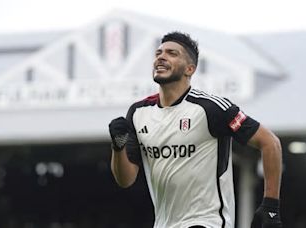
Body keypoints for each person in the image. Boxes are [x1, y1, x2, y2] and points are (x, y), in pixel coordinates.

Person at [109, 31, 283, 228]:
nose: (161, 57)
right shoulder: (139, 113)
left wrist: (271, 206)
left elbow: (270, 143)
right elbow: (125, 179)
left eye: (172, 53)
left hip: (207, 222)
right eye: (159, 53)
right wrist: (118, 147)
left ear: (190, 69)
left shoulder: (212, 108)